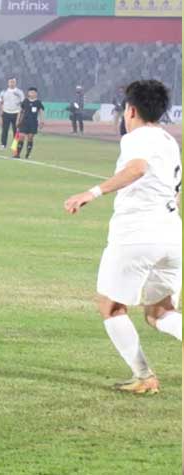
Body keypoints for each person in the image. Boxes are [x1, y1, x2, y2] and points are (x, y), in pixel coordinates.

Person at [64, 79, 182, 395]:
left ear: (130, 110)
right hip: (171, 234)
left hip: (137, 235)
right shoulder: (169, 141)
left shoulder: (137, 138)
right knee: (160, 313)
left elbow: (137, 168)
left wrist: (92, 192)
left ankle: (144, 376)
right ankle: (144, 376)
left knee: (110, 305)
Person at [13, 87, 44, 159]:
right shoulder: (25, 101)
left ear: (36, 94)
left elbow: (41, 112)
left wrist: (42, 121)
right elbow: (20, 111)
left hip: (33, 123)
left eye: (34, 92)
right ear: (28, 93)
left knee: (30, 138)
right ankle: (17, 154)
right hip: (24, 122)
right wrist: (17, 120)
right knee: (21, 137)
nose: (32, 94)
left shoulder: (38, 102)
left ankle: (28, 154)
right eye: (31, 92)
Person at [0, 77, 23, 151]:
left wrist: (21, 113)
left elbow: (22, 103)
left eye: (13, 82)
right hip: (6, 113)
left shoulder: (19, 92)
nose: (12, 83)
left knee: (16, 130)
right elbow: (0, 102)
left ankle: (15, 145)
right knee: (4, 130)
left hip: (16, 113)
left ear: (15, 83)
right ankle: (3, 145)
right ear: (8, 83)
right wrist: (1, 111)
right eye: (10, 82)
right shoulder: (3, 92)